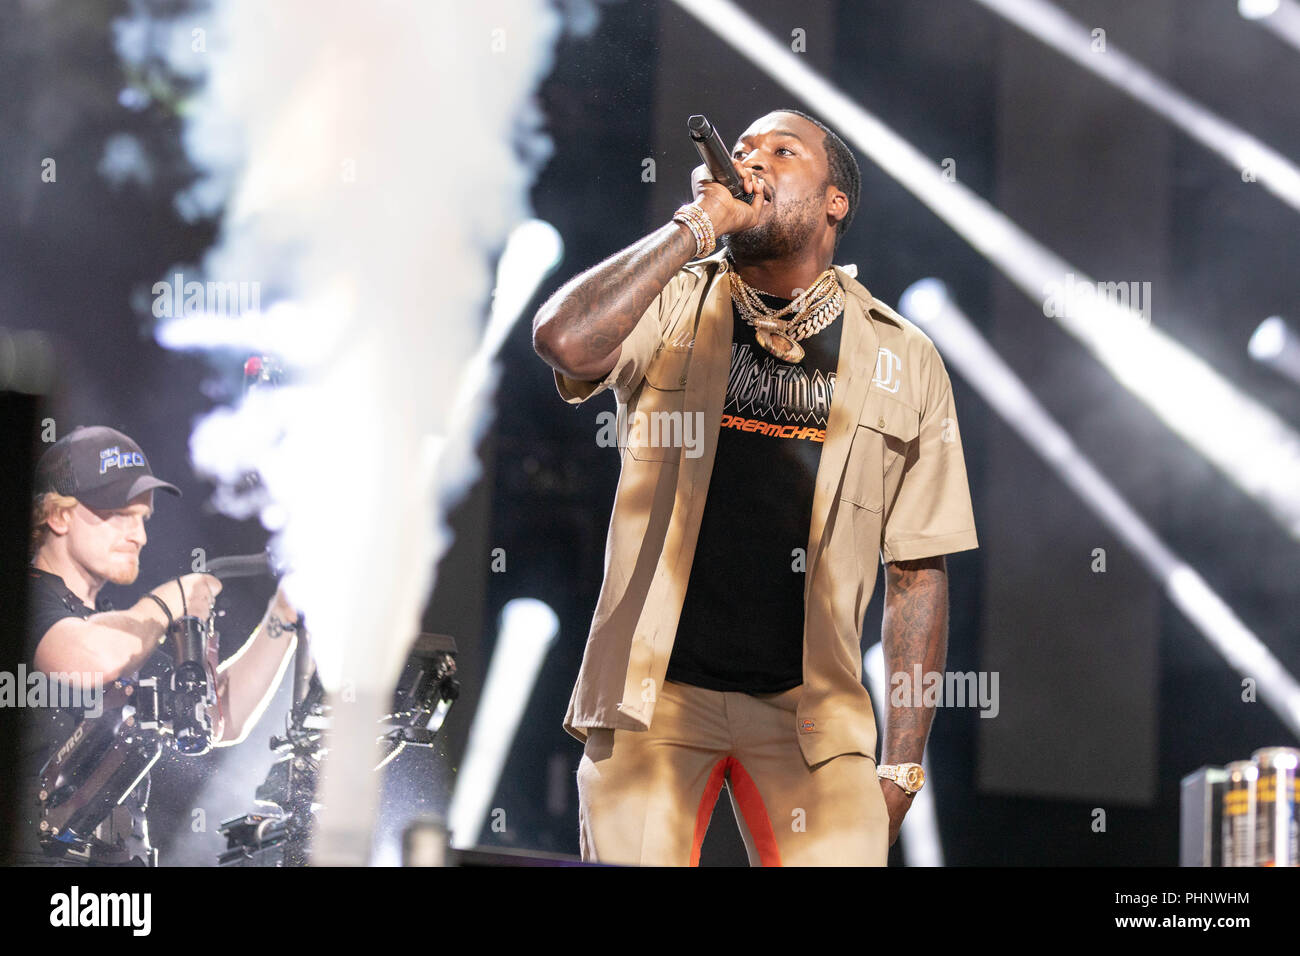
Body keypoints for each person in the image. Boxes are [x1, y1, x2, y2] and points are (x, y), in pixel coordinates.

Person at [532, 109, 979, 866]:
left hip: (816, 718)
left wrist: (903, 764)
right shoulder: (675, 299)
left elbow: (918, 572)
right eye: (741, 152)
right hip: (655, 701)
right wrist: (694, 226)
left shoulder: (906, 358)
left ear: (836, 200)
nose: (752, 163)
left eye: (783, 150)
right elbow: (565, 339)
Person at [9, 425, 300, 866]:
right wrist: (170, 602)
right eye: (120, 514)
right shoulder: (27, 603)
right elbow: (84, 658)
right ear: (59, 515)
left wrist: (286, 611)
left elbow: (220, 717)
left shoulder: (119, 630)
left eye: (143, 518)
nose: (139, 536)